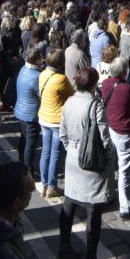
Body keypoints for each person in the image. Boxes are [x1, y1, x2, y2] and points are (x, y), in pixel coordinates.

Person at [58, 67, 113, 259]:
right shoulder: (95, 105)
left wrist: (71, 150)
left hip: (73, 157)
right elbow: (104, 137)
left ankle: (64, 248)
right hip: (92, 160)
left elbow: (62, 133)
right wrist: (110, 159)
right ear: (93, 84)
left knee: (69, 203)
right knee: (93, 210)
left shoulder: (69, 101)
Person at [102, 56, 130, 220]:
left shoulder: (106, 84)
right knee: (124, 170)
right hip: (123, 131)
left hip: (110, 127)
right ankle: (125, 206)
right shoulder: (126, 89)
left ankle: (109, 194)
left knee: (111, 164)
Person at [38, 47, 75, 199]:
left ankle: (44, 183)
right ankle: (52, 186)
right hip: (56, 120)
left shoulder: (43, 74)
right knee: (55, 154)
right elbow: (72, 94)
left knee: (45, 152)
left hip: (44, 117)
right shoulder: (61, 79)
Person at [13, 44, 44, 178]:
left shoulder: (23, 69)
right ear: (37, 60)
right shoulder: (37, 76)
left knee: (24, 140)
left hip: (20, 110)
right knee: (30, 144)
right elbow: (41, 94)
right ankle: (28, 170)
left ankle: (21, 164)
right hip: (31, 114)